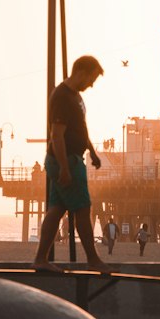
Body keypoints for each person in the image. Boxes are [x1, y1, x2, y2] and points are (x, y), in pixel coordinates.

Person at [33, 56, 108, 272]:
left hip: (71, 158)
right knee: (83, 209)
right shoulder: (62, 97)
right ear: (81, 72)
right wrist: (65, 168)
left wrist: (92, 152)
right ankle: (93, 259)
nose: (91, 85)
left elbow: (80, 128)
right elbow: (57, 135)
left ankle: (40, 259)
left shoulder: (75, 96)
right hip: (65, 160)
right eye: (91, 79)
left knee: (56, 210)